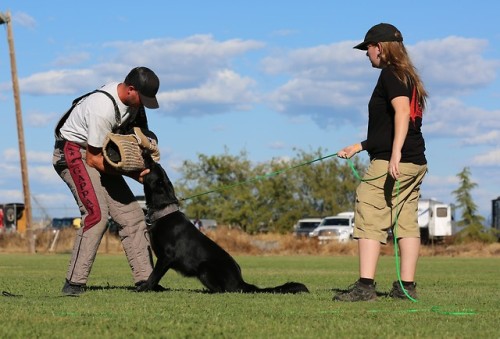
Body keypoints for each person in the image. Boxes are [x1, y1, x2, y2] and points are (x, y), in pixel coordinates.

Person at [334, 23, 428, 301]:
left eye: (368, 49)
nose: (367, 54)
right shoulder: (408, 76)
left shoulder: (390, 75)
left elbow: (401, 114)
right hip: (416, 162)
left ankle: (365, 287)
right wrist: (360, 146)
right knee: (406, 222)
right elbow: (392, 126)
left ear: (380, 48)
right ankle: (405, 288)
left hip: (393, 161)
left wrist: (395, 154)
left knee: (369, 213)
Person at [53, 66, 162, 295]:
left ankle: (146, 282)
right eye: (142, 98)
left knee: (133, 217)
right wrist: (133, 174)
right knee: (97, 216)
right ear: (130, 89)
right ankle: (73, 284)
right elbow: (93, 160)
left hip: (100, 156)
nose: (143, 104)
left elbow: (140, 134)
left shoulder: (133, 104)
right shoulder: (101, 108)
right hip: (74, 153)